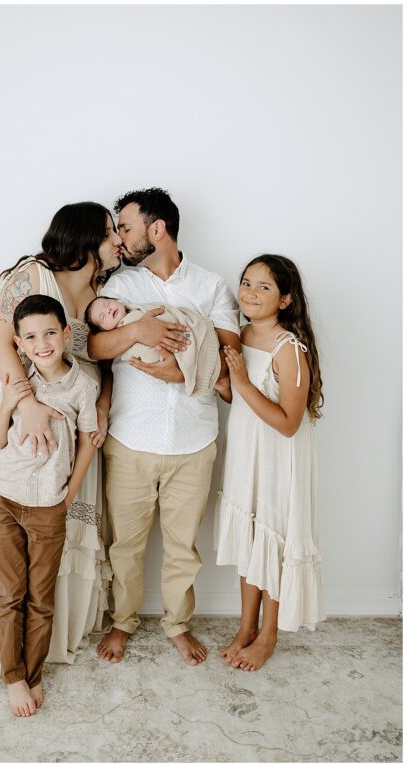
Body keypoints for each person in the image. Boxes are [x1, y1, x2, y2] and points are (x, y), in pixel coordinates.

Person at [0, 201, 121, 678]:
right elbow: (1, 345)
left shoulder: (102, 290)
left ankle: (54, 636)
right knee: (16, 519)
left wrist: (100, 406)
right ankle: (7, 654)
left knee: (55, 522)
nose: (118, 241)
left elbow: (100, 362)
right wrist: (25, 405)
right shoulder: (31, 276)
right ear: (83, 238)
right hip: (23, 406)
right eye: (109, 233)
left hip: (75, 413)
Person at [88, 187, 240, 666]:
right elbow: (93, 349)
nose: (120, 238)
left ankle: (177, 623)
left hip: (195, 441)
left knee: (182, 546)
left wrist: (184, 372)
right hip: (129, 438)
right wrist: (136, 331)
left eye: (126, 227)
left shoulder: (211, 286)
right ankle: (122, 621)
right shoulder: (121, 286)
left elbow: (229, 356)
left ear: (158, 229)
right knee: (125, 544)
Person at [0, 295, 98, 716]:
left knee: (40, 596)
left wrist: (70, 491)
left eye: (50, 332)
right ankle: (13, 677)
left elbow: (89, 439)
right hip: (3, 496)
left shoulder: (83, 385)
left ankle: (33, 673)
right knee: (10, 593)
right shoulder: (19, 380)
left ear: (66, 333)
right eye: (31, 337)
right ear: (19, 343)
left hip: (48, 503)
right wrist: (8, 403)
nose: (42, 343)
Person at [214, 255, 324, 671]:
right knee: (250, 538)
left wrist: (240, 381)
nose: (250, 293)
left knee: (274, 538)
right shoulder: (239, 336)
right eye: (246, 283)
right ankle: (245, 627)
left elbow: (289, 423)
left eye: (264, 287)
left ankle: (268, 633)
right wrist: (224, 384)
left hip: (279, 456)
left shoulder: (290, 349)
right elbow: (235, 399)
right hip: (246, 451)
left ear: (285, 299)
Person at [85, 296, 222, 395]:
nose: (107, 310)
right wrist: (138, 331)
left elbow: (165, 312)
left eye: (107, 303)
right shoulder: (124, 346)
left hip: (191, 331)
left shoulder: (136, 308)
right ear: (104, 331)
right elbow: (147, 356)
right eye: (103, 317)